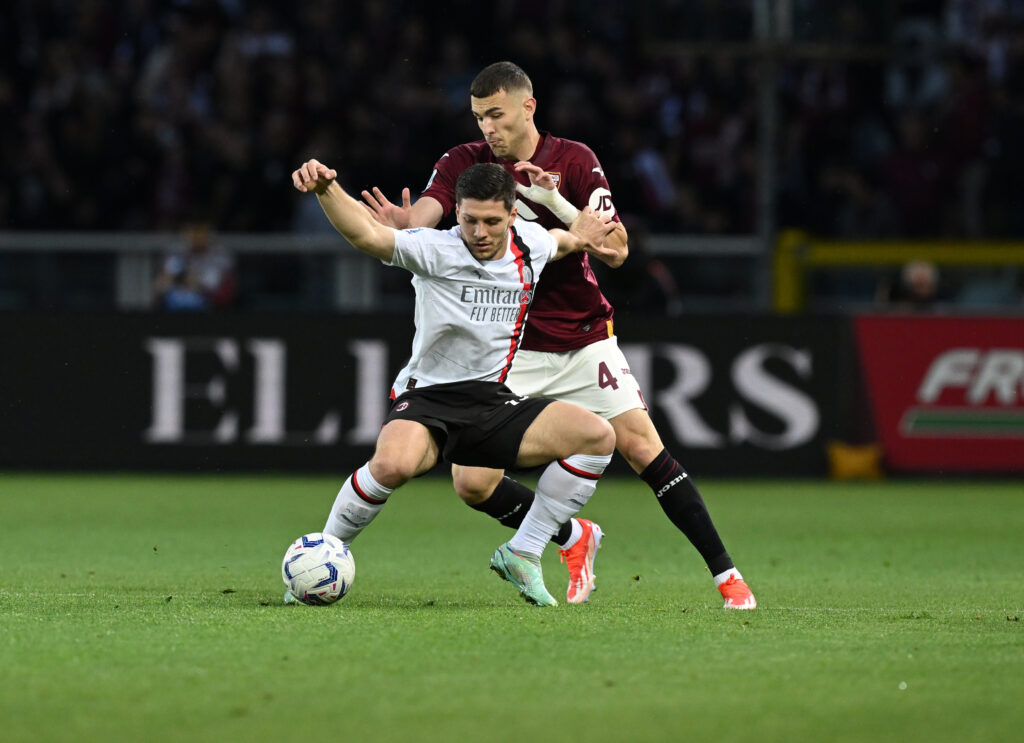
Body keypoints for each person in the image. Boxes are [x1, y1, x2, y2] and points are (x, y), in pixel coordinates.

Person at [361, 61, 756, 609]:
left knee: (641, 446)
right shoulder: (464, 162)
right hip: (508, 345)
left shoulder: (574, 161)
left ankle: (727, 576)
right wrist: (404, 225)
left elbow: (615, 250)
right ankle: (573, 537)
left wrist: (554, 203)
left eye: (496, 115)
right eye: (479, 117)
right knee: (472, 484)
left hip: (580, 335)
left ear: (529, 107)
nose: (487, 129)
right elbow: (423, 219)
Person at [291, 157, 620, 607]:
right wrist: (327, 189)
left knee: (598, 437)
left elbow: (561, 242)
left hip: (491, 402)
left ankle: (523, 550)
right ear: (457, 214)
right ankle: (323, 555)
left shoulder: (532, 245)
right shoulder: (434, 249)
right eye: (468, 220)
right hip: (428, 396)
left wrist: (578, 230)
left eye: (490, 221)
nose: (479, 233)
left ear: (511, 215)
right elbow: (365, 235)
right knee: (393, 466)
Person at [152, 219, 237, 311]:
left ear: (208, 233)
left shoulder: (219, 256)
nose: (196, 236)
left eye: (200, 232)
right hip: (176, 302)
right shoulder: (177, 252)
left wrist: (191, 281)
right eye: (192, 231)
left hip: (207, 302)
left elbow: (212, 285)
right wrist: (181, 279)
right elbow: (163, 281)